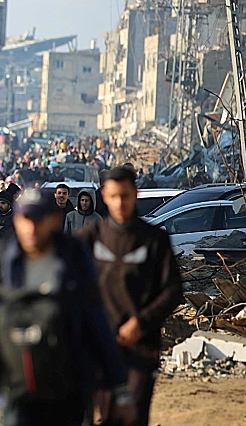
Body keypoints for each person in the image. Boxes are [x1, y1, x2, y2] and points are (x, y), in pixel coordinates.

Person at [0, 189, 134, 426]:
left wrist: (119, 386)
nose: (31, 228)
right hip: (17, 392)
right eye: (25, 219)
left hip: (70, 390)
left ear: (55, 220)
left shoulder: (75, 261)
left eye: (39, 219)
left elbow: (96, 321)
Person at [76, 166, 182, 426]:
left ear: (135, 194)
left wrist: (141, 322)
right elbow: (68, 288)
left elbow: (172, 290)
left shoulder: (154, 240)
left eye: (125, 196)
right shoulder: (88, 239)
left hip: (140, 347)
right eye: (113, 196)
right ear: (104, 196)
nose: (119, 203)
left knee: (132, 415)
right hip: (97, 346)